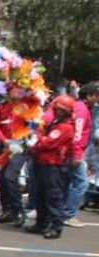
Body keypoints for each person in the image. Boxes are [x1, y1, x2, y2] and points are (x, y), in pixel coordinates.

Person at [26, 96, 76, 239]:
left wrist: (39, 137)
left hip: (55, 165)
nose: (59, 112)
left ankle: (56, 227)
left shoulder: (66, 127)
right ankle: (41, 223)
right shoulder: (55, 122)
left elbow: (48, 143)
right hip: (44, 162)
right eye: (58, 109)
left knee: (54, 197)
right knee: (41, 194)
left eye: (62, 110)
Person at [0, 93, 31, 227]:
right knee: (2, 179)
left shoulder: (26, 106)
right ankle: (7, 210)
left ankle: (18, 210)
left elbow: (32, 126)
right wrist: (4, 140)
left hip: (20, 146)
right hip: (5, 146)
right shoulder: (1, 107)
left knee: (10, 176)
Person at [61, 84, 96, 228]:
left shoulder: (81, 107)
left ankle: (61, 211)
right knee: (81, 183)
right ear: (88, 96)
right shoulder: (81, 109)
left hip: (70, 151)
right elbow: (77, 134)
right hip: (73, 152)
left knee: (65, 182)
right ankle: (68, 214)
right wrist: (77, 155)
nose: (97, 98)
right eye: (96, 95)